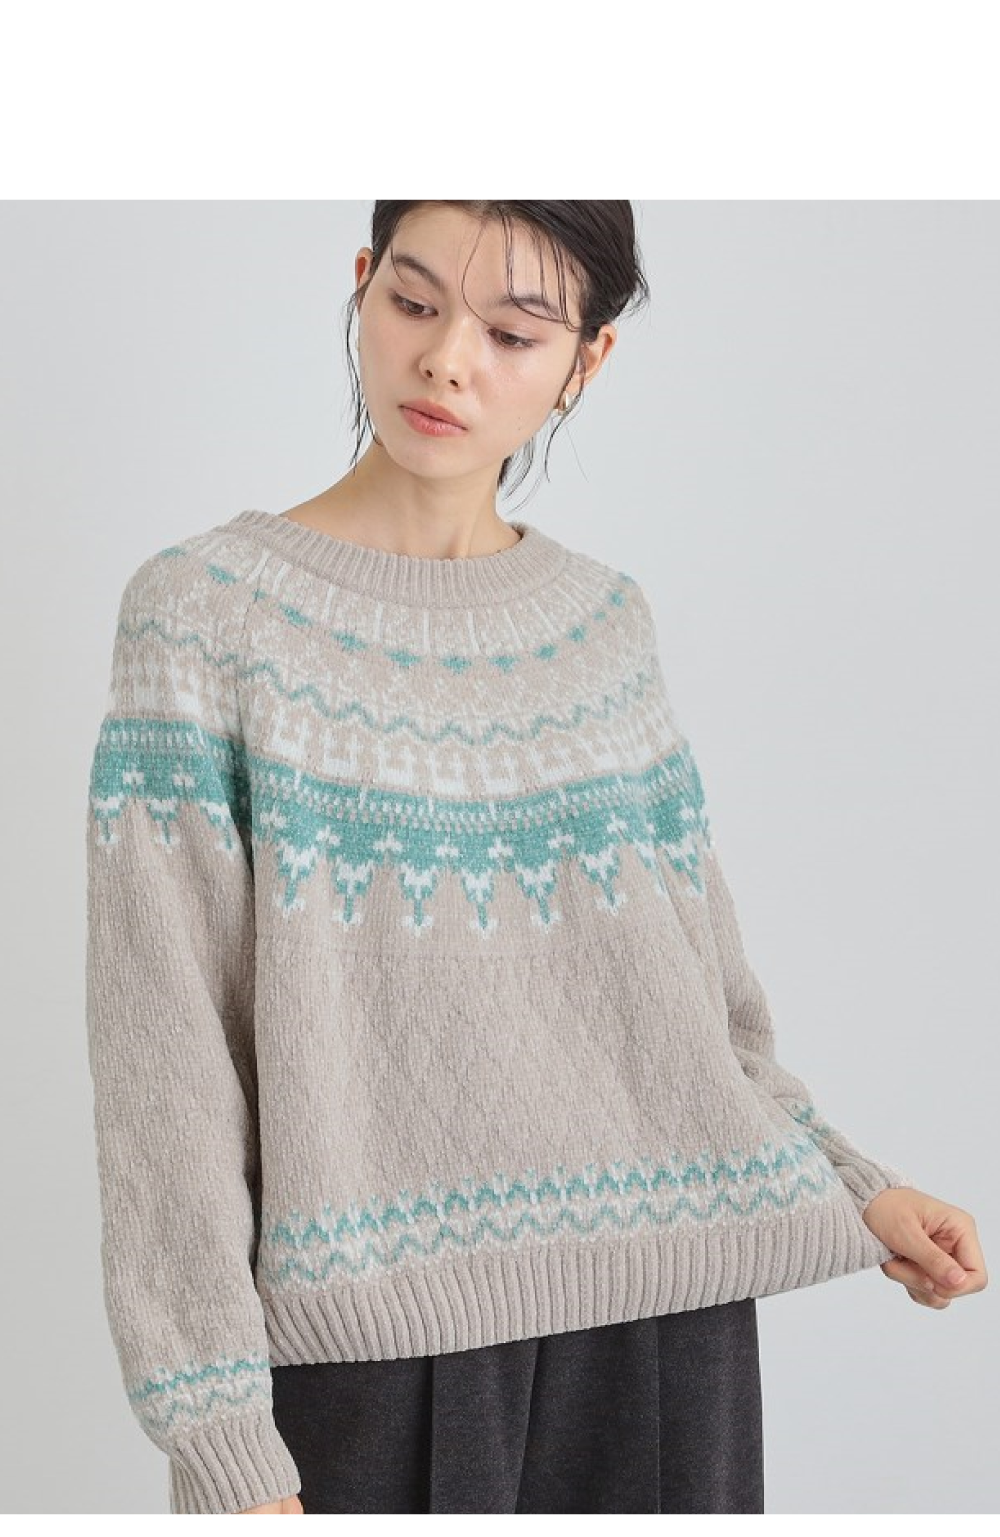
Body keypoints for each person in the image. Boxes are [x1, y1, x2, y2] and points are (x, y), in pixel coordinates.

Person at [84, 199, 987, 1517]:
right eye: (413, 301)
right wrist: (216, 1434)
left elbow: (708, 1014)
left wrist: (860, 1187)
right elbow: (164, 1063)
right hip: (367, 1355)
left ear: (587, 361)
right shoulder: (205, 618)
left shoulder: (603, 628)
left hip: (668, 1334)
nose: (447, 360)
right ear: (361, 285)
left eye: (513, 333)